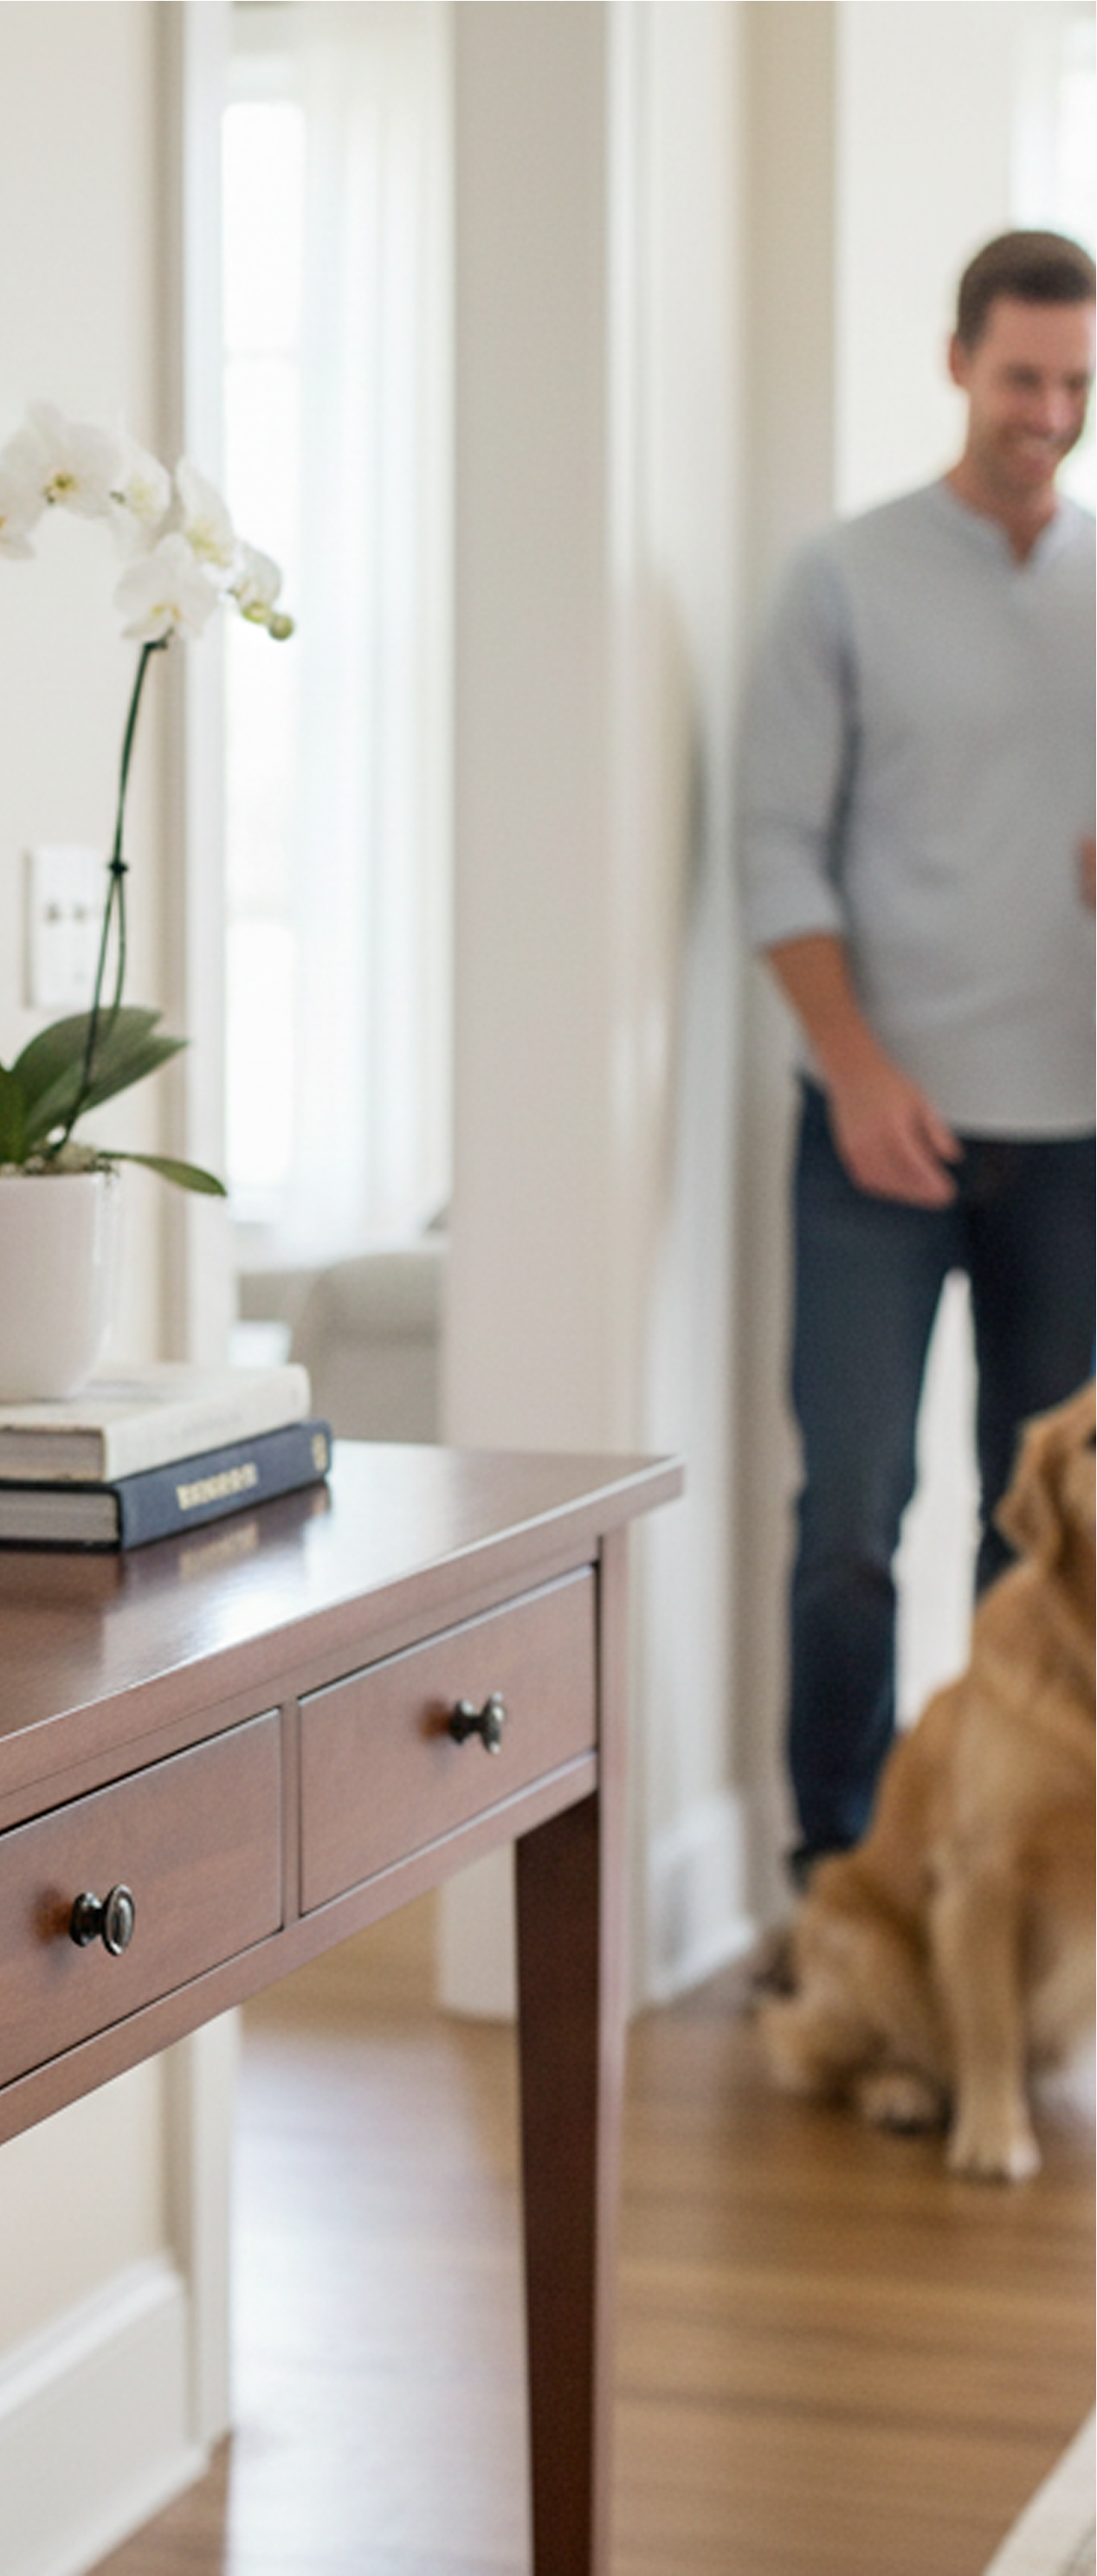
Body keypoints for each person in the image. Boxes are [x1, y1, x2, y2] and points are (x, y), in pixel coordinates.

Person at [739, 229, 1097, 1886]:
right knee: (849, 1529)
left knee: (1042, 1550)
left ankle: (993, 1872)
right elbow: (774, 853)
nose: (1047, 412)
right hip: (871, 1134)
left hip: (1076, 1142)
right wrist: (857, 1068)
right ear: (958, 362)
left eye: (1077, 384)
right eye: (1021, 376)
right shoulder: (843, 578)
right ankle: (839, 1870)